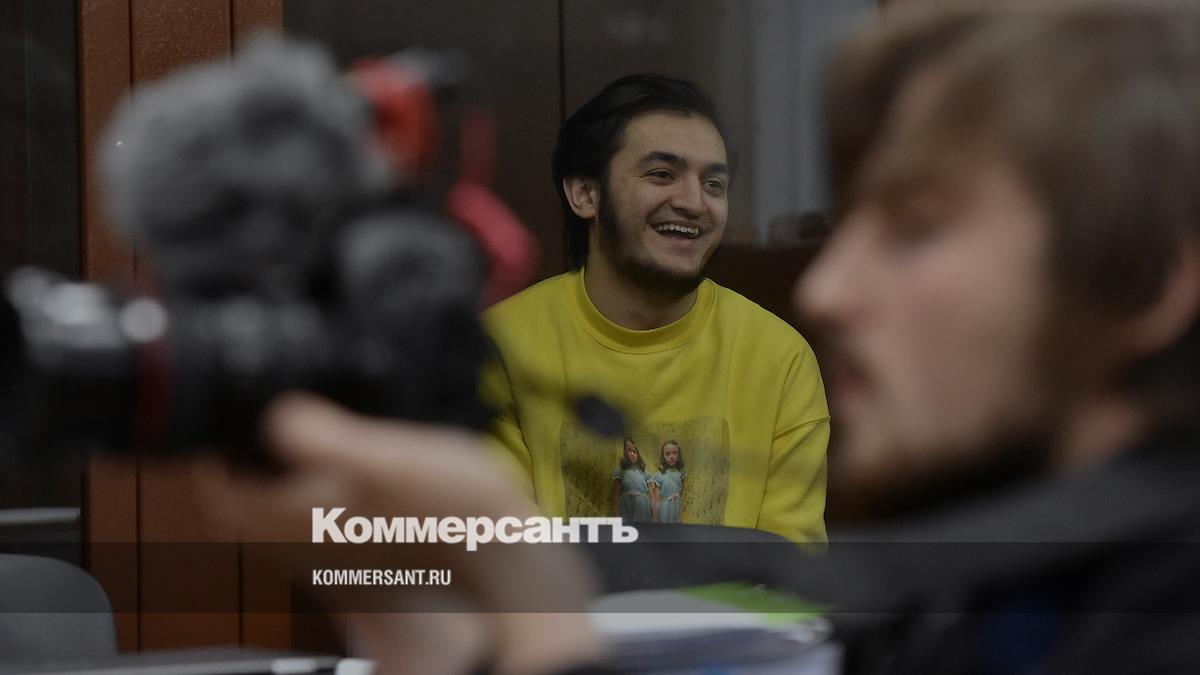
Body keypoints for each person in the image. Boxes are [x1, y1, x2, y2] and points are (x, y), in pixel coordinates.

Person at [199, 1, 1200, 673]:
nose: (829, 286)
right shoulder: (981, 599)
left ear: (1147, 275)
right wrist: (405, 594)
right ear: (583, 195)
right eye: (662, 173)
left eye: (918, 226)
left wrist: (531, 614)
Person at [481, 74, 830, 543]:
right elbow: (501, 552)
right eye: (662, 175)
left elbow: (788, 566)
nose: (694, 203)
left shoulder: (779, 359)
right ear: (585, 193)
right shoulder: (498, 348)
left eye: (714, 184)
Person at [611, 437, 652, 521]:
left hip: (643, 507)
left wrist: (654, 515)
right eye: (629, 451)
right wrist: (616, 515)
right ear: (625, 453)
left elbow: (651, 495)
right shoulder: (620, 471)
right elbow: (616, 495)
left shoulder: (645, 473)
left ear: (638, 454)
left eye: (634, 452)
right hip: (626, 505)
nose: (632, 454)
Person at [649, 440, 685, 524]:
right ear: (663, 456)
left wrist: (680, 515)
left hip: (676, 506)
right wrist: (655, 516)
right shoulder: (660, 475)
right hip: (664, 507)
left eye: (674, 453)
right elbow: (656, 499)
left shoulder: (681, 473)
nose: (671, 456)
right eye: (667, 454)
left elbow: (682, 493)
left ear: (678, 454)